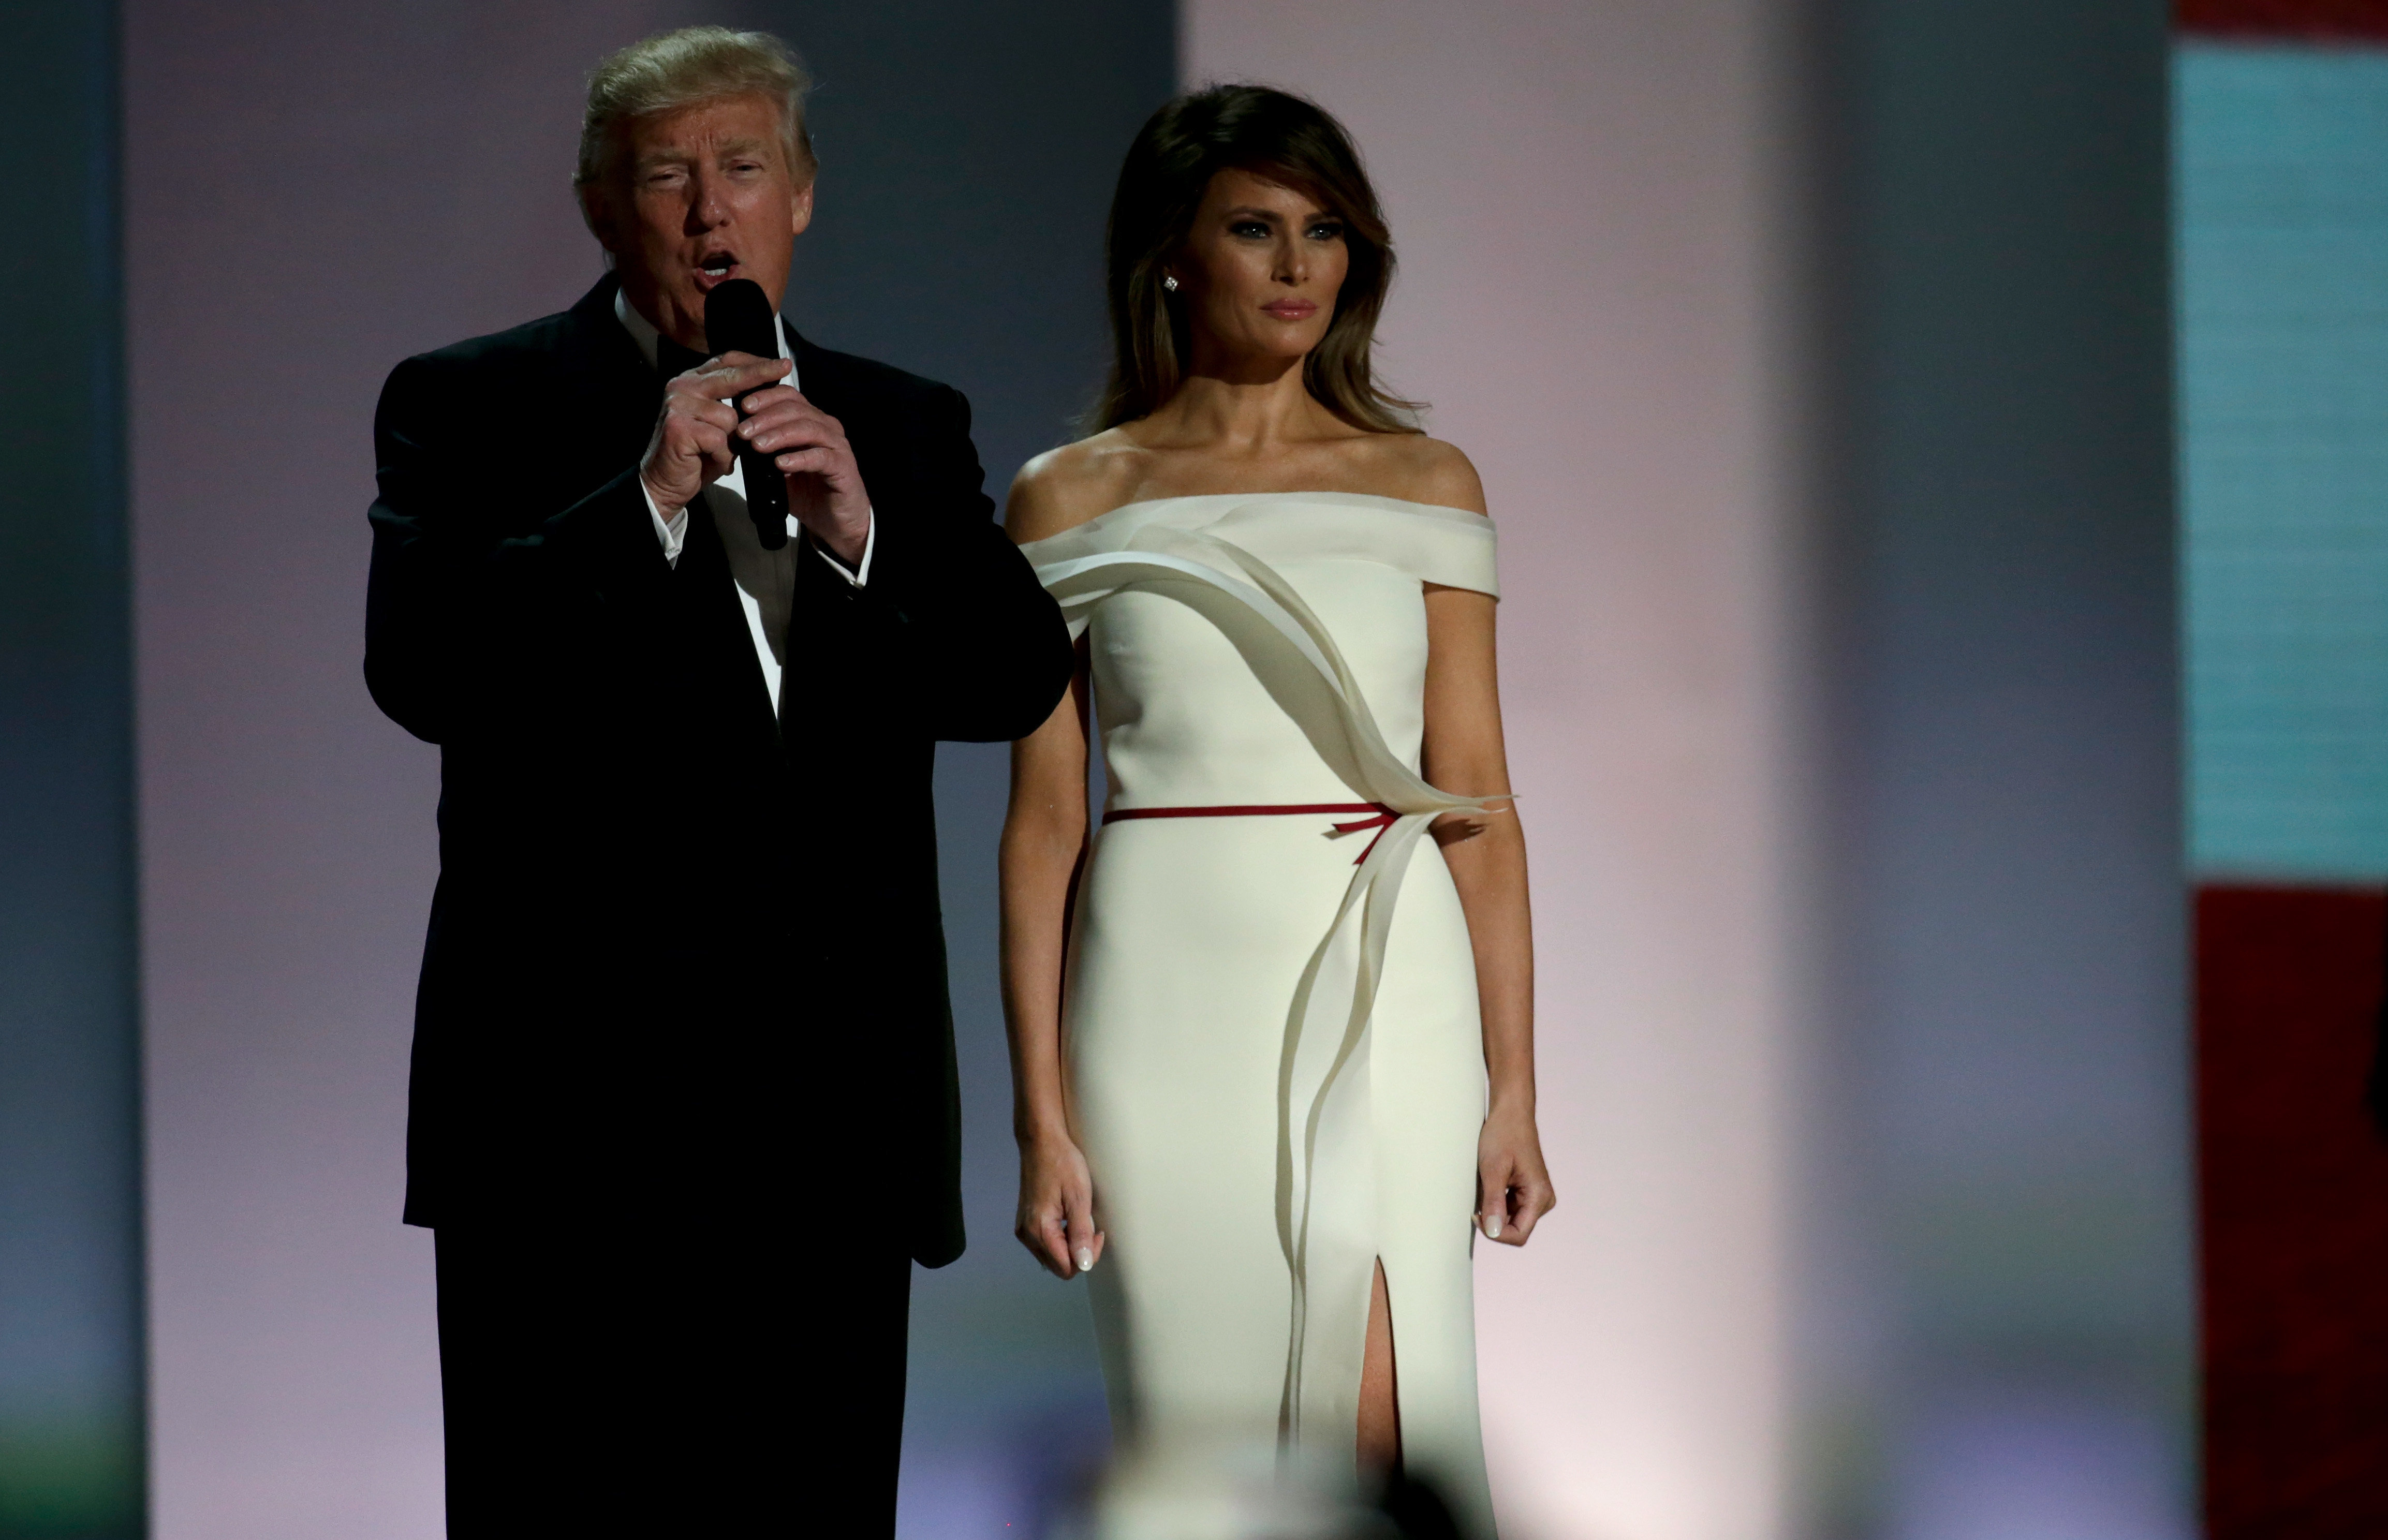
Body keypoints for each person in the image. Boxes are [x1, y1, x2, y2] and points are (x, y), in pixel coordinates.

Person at [363, 26, 1072, 1535]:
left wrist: (867, 539)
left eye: (742, 170)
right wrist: (645, 508)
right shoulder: (470, 405)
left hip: (825, 1125)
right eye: (667, 178)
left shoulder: (900, 421)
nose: (708, 213)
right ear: (599, 208)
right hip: (565, 1130)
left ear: (801, 196)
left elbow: (1014, 678)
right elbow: (424, 670)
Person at [998, 85, 1556, 1538]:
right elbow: (1046, 824)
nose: (1300, 267)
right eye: (1257, 230)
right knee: (1196, 1437)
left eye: (1325, 234)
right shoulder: (1068, 500)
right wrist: (1041, 1119)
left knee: (1388, 1419)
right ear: (1174, 255)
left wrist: (1514, 1087)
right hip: (1161, 990)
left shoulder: (1426, 484)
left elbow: (1480, 807)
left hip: (1388, 973)